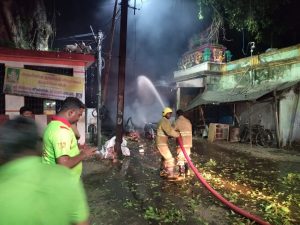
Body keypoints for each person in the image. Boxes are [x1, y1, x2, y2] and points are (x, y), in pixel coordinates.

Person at [0, 117, 90, 225]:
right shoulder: (65, 177)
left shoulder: (53, 127)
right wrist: (83, 154)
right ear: (38, 146)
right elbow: (82, 223)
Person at [42, 97, 96, 180]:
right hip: (61, 182)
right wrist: (84, 154)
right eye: (79, 115)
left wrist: (76, 149)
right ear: (71, 112)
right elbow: (64, 164)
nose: (78, 119)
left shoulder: (53, 125)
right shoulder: (61, 131)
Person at [156, 107, 181, 180]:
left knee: (164, 158)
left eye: (170, 114)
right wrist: (178, 134)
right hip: (161, 143)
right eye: (169, 114)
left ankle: (163, 171)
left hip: (161, 143)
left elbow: (165, 133)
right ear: (165, 114)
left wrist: (170, 136)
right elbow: (169, 131)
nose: (170, 115)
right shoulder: (164, 121)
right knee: (170, 159)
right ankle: (171, 175)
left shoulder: (163, 121)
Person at [174, 109, 193, 178]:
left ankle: (181, 173)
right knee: (187, 158)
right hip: (188, 143)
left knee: (180, 158)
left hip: (181, 144)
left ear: (177, 115)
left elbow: (173, 131)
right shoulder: (188, 121)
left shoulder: (177, 121)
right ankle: (187, 171)